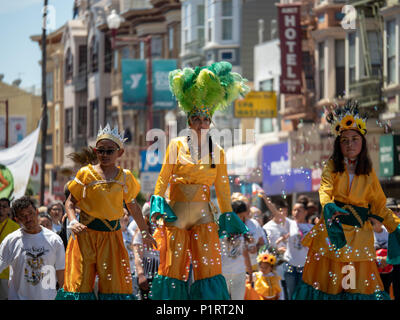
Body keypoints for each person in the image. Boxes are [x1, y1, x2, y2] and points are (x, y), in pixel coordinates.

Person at [150, 61, 249, 300]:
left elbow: (223, 189)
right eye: (196, 119)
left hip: (204, 213)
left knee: (208, 267)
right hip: (177, 213)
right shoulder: (176, 146)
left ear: (210, 123)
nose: (201, 124)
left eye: (205, 120)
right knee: (172, 267)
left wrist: (228, 215)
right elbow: (163, 177)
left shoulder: (219, 152)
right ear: (189, 122)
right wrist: (157, 202)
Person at [293, 101, 400, 300]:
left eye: (354, 139)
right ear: (338, 144)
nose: (350, 144)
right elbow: (325, 189)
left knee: (356, 290)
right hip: (333, 237)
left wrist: (396, 226)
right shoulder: (332, 166)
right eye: (344, 140)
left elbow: (379, 205)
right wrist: (329, 206)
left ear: (363, 142)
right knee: (329, 289)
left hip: (359, 241)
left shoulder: (369, 173)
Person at [56, 124, 156, 300]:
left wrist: (145, 232)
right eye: (101, 150)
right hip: (85, 237)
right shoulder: (85, 174)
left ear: (120, 153)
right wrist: (73, 221)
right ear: (96, 151)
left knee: (114, 288)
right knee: (79, 286)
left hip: (112, 238)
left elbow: (133, 207)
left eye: (110, 151)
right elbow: (70, 202)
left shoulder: (125, 177)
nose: (105, 155)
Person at [0, 196, 65, 300]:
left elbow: (61, 273)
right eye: (23, 216)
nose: (28, 219)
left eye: (30, 213)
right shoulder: (10, 241)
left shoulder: (54, 240)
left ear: (37, 211)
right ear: (17, 219)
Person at [220, 200, 253, 300]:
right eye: (241, 216)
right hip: (223, 273)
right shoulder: (220, 230)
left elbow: (245, 253)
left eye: (244, 217)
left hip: (239, 273)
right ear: (233, 215)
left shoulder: (242, 231)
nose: (243, 219)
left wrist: (250, 272)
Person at [132, 202, 159, 300]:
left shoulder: (159, 231)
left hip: (158, 274)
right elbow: (137, 254)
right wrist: (141, 274)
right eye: (155, 215)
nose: (157, 219)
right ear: (148, 216)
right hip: (147, 274)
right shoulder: (141, 233)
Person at [0, 198, 20, 299]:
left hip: (6, 273)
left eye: (4, 206)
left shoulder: (15, 227)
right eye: (0, 206)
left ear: (9, 209)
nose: (1, 209)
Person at [370, 216, 392, 296]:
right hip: (375, 267)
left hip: (389, 266)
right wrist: (378, 259)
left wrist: (387, 258)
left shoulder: (388, 231)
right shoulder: (368, 233)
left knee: (386, 289)